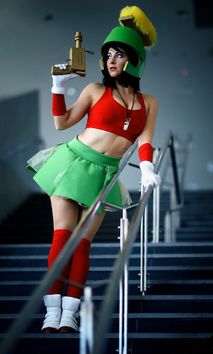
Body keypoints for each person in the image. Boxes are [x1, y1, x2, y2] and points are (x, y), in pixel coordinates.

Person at [27, 5, 160, 333]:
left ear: (135, 60)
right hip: (72, 162)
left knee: (83, 244)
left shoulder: (149, 103)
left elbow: (145, 139)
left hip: (104, 174)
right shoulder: (95, 90)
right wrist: (57, 87)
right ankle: (50, 312)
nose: (111, 60)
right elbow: (61, 123)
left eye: (119, 54)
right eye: (108, 55)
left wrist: (146, 167)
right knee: (62, 238)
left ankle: (70, 314)